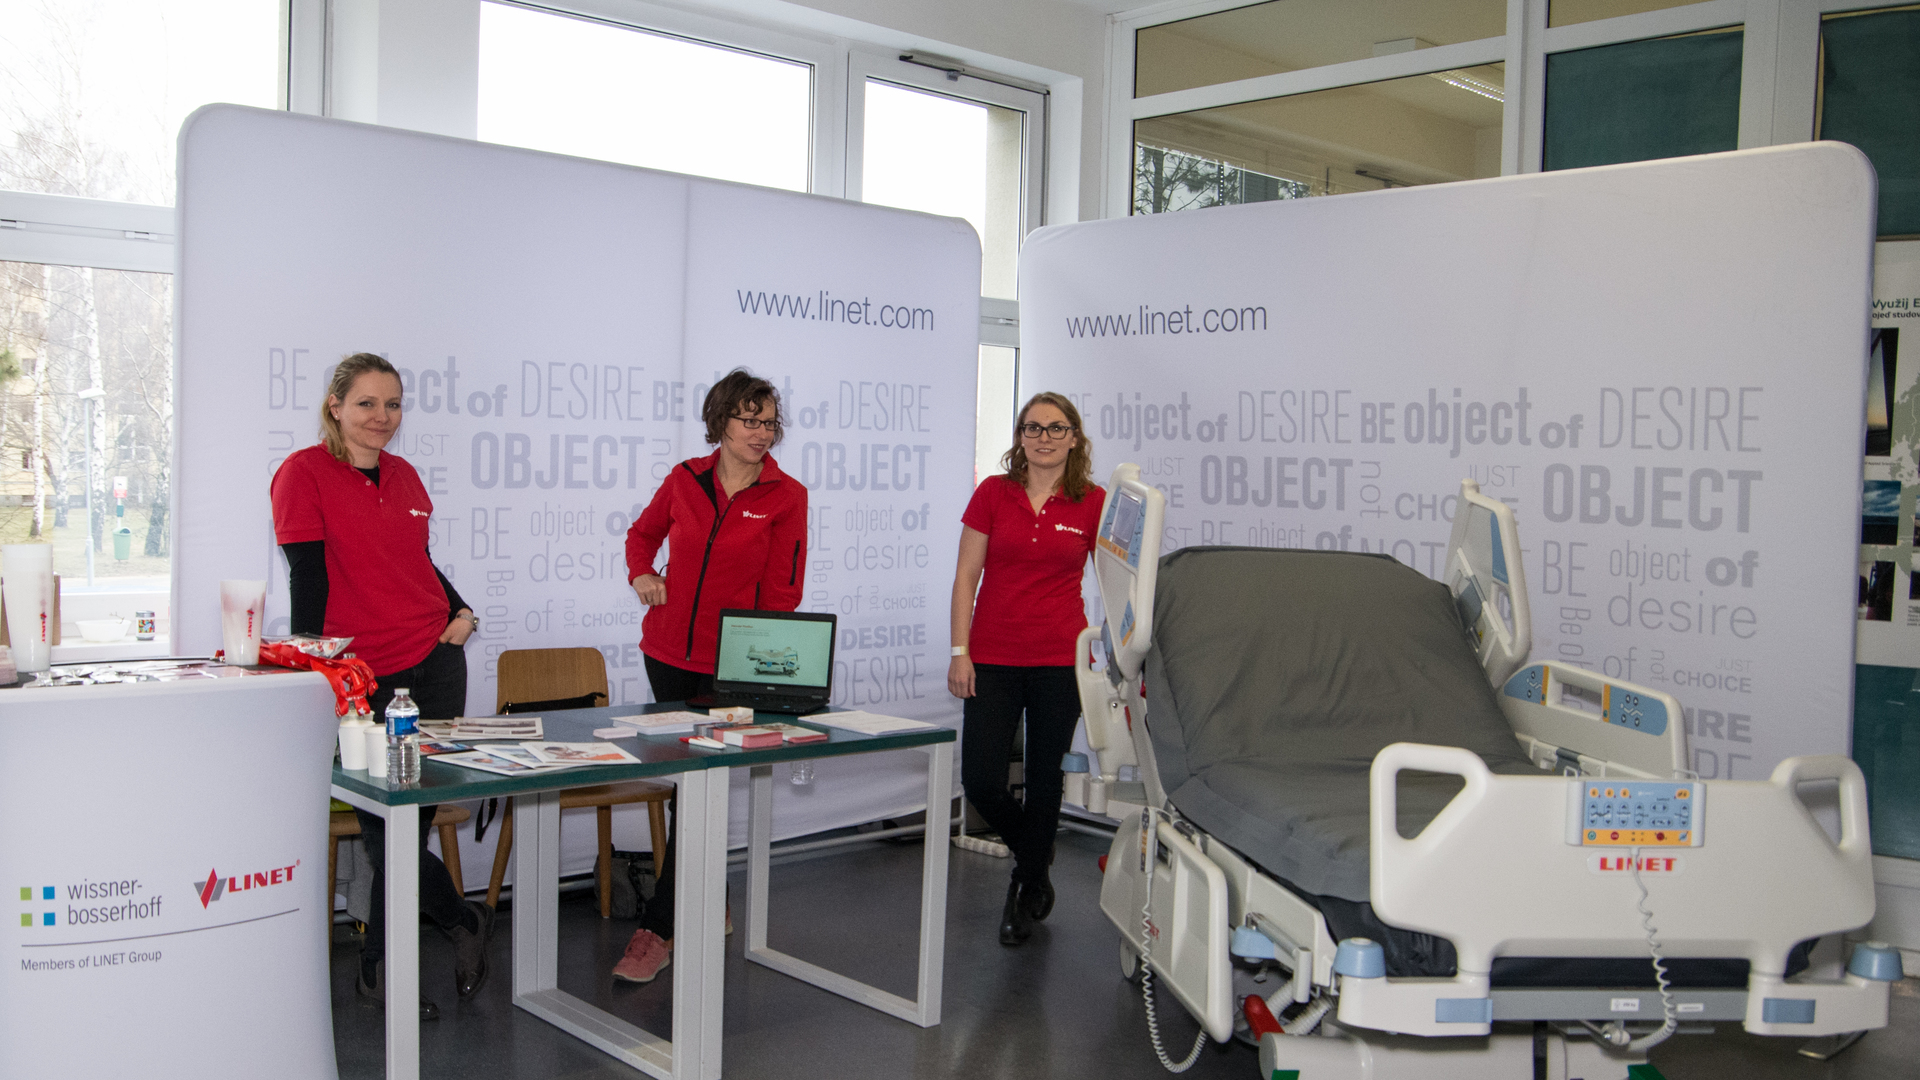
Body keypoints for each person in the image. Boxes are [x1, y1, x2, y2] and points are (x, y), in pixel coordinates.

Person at [270, 352, 494, 1019]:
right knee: (383, 830)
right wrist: (315, 669)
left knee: (409, 826)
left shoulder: (404, 475)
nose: (381, 417)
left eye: (392, 404)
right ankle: (459, 922)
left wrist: (461, 610)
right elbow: (307, 577)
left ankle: (379, 968)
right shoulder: (302, 473)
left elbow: (416, 561)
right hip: (361, 676)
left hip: (434, 663)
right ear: (335, 405)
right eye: (366, 403)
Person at [616, 368, 808, 983]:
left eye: (769, 421)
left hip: (730, 670)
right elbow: (642, 535)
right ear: (720, 420)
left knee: (699, 788)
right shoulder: (685, 479)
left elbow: (783, 590)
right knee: (690, 785)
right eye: (749, 419)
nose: (762, 432)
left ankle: (658, 928)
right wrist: (642, 573)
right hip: (666, 654)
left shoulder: (787, 495)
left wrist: (758, 667)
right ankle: (708, 897)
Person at [949, 392, 1104, 946]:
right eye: (1033, 427)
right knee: (981, 781)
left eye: (1056, 428)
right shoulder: (994, 493)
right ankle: (1037, 857)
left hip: (1060, 661)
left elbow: (1117, 582)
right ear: (1020, 436)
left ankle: (1022, 885)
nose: (1044, 437)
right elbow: (966, 577)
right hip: (991, 657)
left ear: (1074, 438)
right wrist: (959, 651)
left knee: (1043, 783)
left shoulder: (1094, 502)